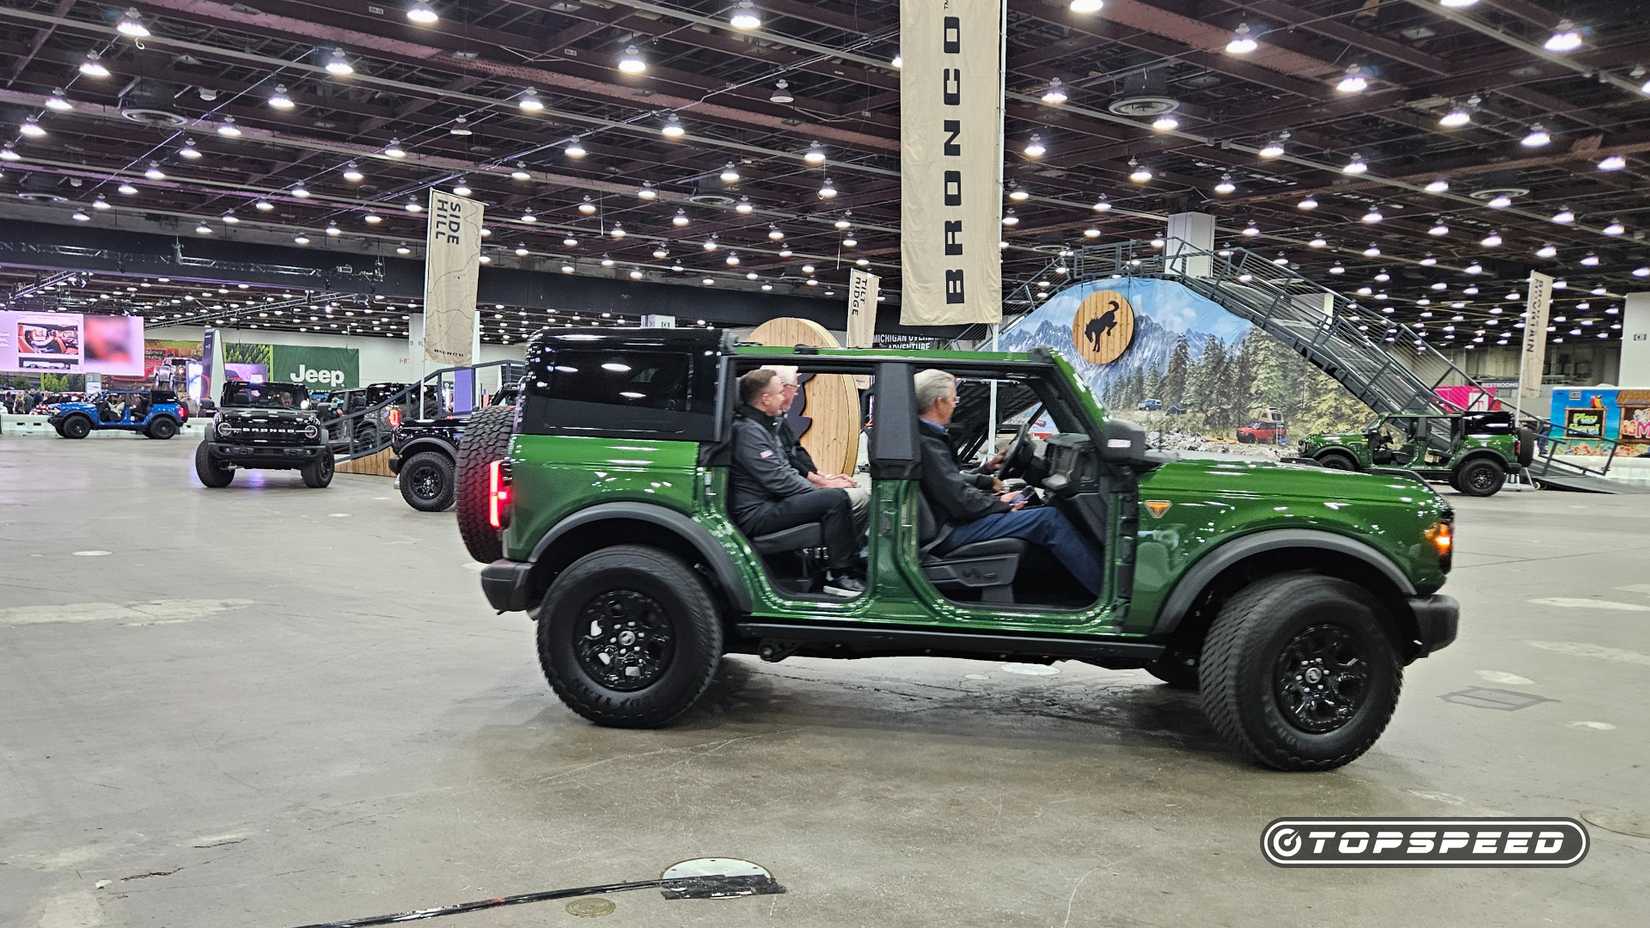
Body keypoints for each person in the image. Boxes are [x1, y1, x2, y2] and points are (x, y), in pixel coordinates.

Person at [912, 369, 1105, 598]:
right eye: (954, 399)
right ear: (939, 402)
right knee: (1048, 519)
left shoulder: (925, 436)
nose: (955, 404)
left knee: (1034, 507)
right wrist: (1001, 504)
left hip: (947, 521)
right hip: (948, 531)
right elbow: (958, 498)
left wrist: (985, 473)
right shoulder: (928, 442)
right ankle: (1104, 596)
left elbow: (950, 481)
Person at [730, 369, 865, 596]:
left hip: (771, 503)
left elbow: (788, 467)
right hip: (757, 513)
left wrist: (820, 483)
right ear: (765, 399)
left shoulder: (764, 425)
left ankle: (842, 562)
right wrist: (819, 489)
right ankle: (839, 573)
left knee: (833, 496)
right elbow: (780, 480)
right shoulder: (747, 431)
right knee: (835, 500)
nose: (784, 397)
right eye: (779, 392)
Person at [768, 366, 870, 526]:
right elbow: (786, 464)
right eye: (794, 387)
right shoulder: (759, 428)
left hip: (793, 487)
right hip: (778, 499)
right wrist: (821, 483)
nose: (796, 393)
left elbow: (796, 453)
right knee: (851, 498)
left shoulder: (777, 421)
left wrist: (822, 477)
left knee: (856, 493)